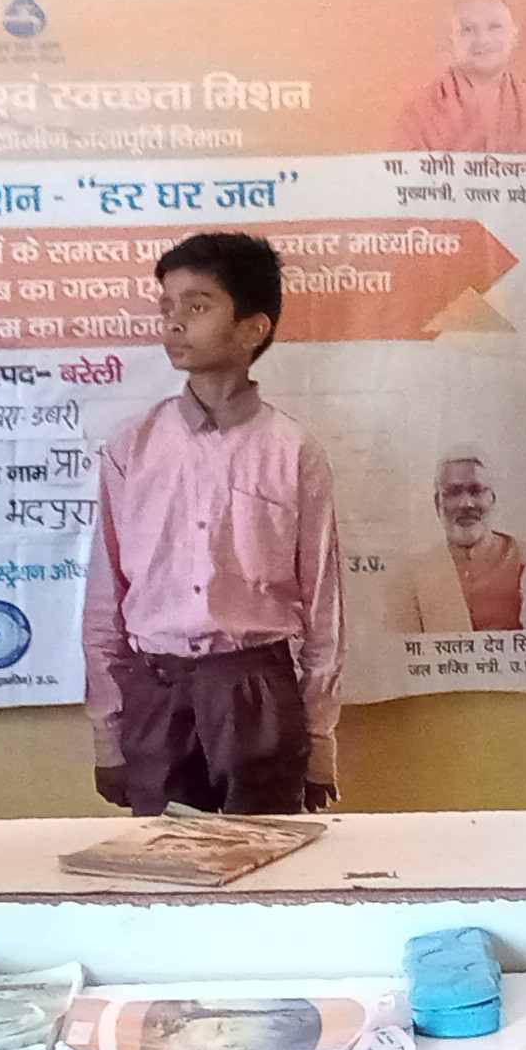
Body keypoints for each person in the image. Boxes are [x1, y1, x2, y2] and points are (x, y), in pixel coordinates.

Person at [83, 232, 344, 816]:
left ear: (253, 328)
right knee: (164, 860)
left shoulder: (292, 451)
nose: (174, 322)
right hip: (156, 691)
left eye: (197, 306)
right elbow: (107, 597)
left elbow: (324, 604)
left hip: (257, 692)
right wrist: (108, 731)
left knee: (265, 855)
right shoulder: (132, 447)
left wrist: (320, 736)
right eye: (166, 307)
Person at [389, 0, 526, 154]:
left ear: (514, 34)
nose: (483, 40)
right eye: (468, 29)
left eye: (494, 27)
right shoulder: (420, 113)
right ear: (452, 40)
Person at [408, 453, 526, 633]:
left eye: (476, 491)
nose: (466, 504)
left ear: (492, 499)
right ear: (437, 503)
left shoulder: (524, 560)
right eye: (453, 492)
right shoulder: (415, 574)